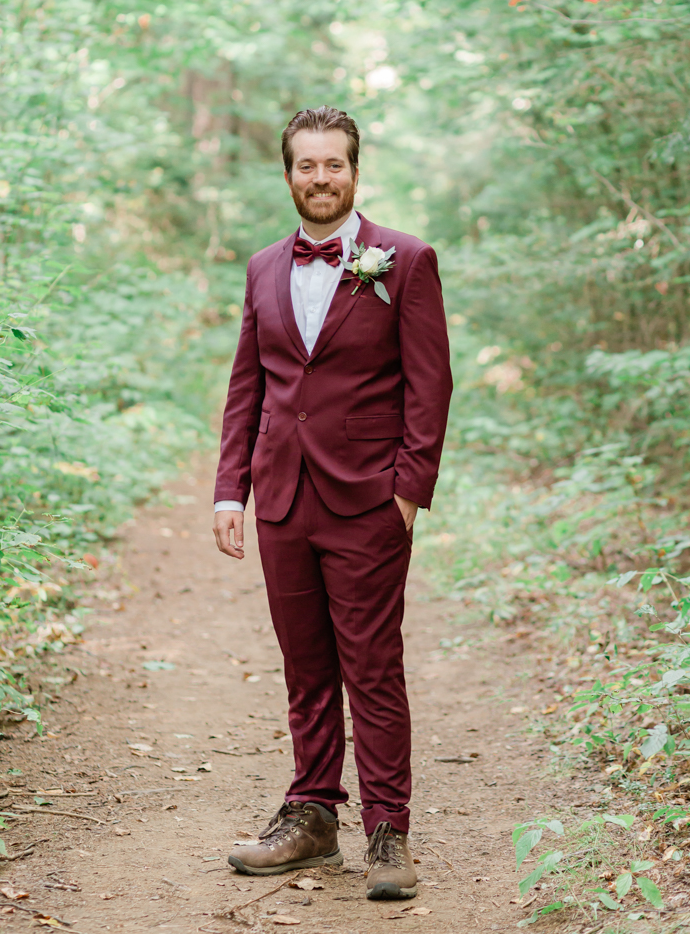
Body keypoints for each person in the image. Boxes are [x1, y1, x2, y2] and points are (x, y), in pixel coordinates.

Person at [212, 105, 452, 901]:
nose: (321, 178)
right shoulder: (260, 268)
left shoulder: (405, 260)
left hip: (367, 502)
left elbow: (430, 383)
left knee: (372, 668)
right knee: (306, 667)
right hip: (282, 496)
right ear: (288, 174)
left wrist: (408, 494)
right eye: (306, 165)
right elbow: (250, 384)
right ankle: (313, 817)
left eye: (334, 164)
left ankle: (388, 831)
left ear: (355, 170)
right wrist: (229, 491)